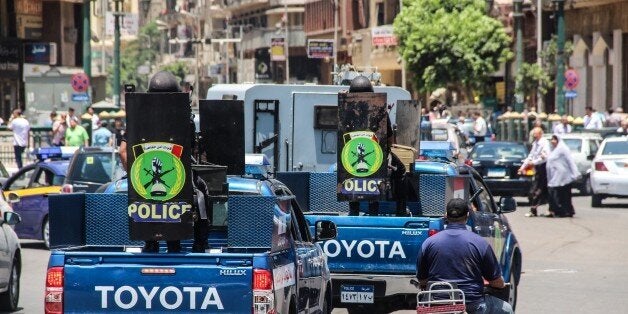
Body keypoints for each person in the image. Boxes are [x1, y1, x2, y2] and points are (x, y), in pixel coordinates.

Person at [417, 198, 513, 314]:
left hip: (436, 304)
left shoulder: (428, 243)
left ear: (446, 215)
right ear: (467, 215)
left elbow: (422, 279)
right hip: (472, 305)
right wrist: (501, 283)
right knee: (506, 309)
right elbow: (496, 281)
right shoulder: (480, 243)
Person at [519, 127, 550, 217]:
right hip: (538, 169)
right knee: (537, 190)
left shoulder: (544, 143)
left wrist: (533, 163)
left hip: (544, 169)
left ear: (540, 134)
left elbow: (544, 157)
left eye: (535, 133)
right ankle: (534, 210)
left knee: (538, 190)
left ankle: (536, 210)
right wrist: (523, 167)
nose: (534, 135)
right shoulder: (535, 143)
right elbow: (531, 156)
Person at [546, 135, 579, 218]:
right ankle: (556, 211)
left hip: (563, 176)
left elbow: (570, 161)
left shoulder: (563, 149)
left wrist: (575, 173)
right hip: (555, 176)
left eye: (554, 139)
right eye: (552, 139)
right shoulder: (553, 150)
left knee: (563, 195)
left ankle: (565, 211)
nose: (552, 141)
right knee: (556, 194)